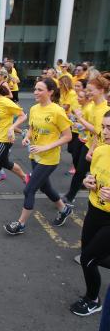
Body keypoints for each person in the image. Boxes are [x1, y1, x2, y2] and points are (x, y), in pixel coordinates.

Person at [4, 78, 73, 235]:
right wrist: (27, 136)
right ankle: (64, 209)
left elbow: (67, 136)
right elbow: (31, 128)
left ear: (50, 92)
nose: (35, 92)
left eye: (40, 90)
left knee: (29, 190)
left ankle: (20, 224)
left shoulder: (57, 111)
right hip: (35, 155)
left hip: (49, 158)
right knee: (45, 186)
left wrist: (46, 146)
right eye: (35, 89)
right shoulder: (34, 108)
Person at [70, 110, 110, 316]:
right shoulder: (102, 150)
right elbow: (92, 176)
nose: (104, 131)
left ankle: (93, 299)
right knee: (89, 252)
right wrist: (88, 182)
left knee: (88, 258)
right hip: (95, 210)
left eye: (109, 128)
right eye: (103, 127)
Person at [64, 77, 109, 204]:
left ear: (101, 90)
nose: (87, 93)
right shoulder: (92, 106)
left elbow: (97, 130)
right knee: (80, 172)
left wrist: (79, 118)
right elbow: (93, 131)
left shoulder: (105, 109)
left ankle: (71, 198)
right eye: (87, 90)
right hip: (90, 144)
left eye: (90, 90)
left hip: (102, 149)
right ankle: (70, 196)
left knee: (92, 175)